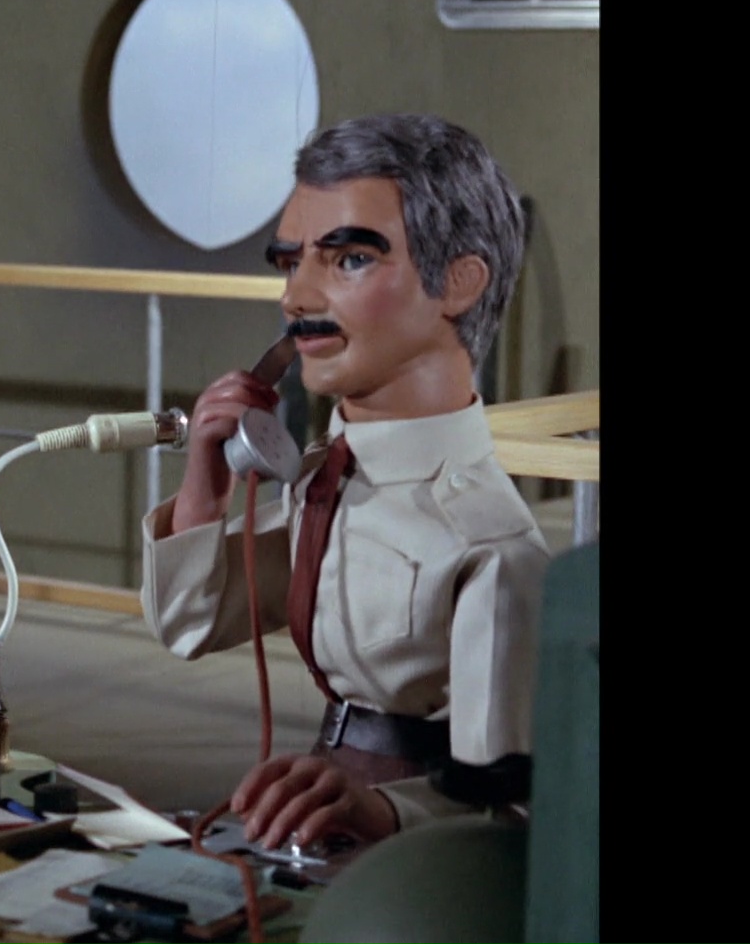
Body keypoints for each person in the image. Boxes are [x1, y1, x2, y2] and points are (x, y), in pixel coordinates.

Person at [141, 113, 547, 853]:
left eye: (350, 259)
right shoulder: (325, 482)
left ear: (460, 282)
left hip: (419, 860)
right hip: (312, 821)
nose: (297, 298)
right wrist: (206, 482)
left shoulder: (491, 546)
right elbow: (189, 624)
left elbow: (510, 816)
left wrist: (383, 811)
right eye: (290, 264)